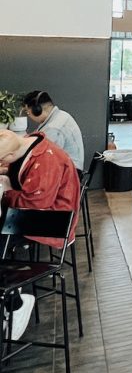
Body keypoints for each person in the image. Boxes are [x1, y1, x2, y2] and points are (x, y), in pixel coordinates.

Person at [0, 129, 81, 340]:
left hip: (50, 223)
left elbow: (35, 204)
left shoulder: (47, 160)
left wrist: (7, 192)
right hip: (33, 218)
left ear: (8, 157)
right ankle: (11, 297)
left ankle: (16, 301)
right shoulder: (30, 144)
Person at [23, 90, 84, 173]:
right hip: (68, 168)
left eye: (28, 112)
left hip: (69, 174)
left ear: (37, 110)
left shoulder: (53, 128)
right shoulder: (60, 115)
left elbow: (44, 157)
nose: (28, 116)